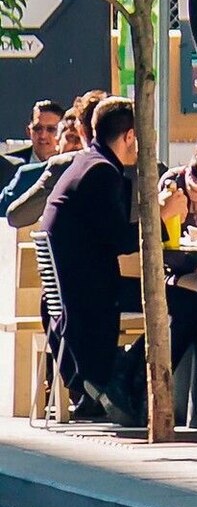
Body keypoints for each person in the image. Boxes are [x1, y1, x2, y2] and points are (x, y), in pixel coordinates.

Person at [40, 99, 147, 423]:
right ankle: (120, 375)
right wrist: (160, 215)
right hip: (90, 296)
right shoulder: (101, 171)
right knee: (185, 303)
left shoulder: (85, 162)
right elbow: (122, 240)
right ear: (129, 136)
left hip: (72, 293)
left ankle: (111, 379)